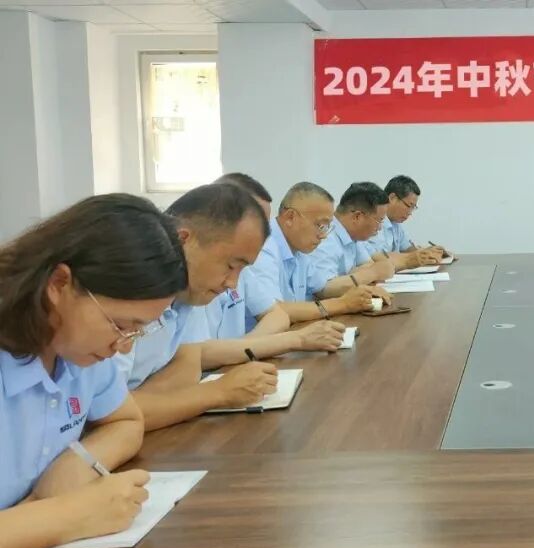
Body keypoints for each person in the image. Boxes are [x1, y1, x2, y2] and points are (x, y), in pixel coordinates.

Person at [0, 194, 187, 548]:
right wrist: (71, 514)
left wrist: (76, 463)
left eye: (137, 331)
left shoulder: (76, 350)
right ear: (59, 283)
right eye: (120, 325)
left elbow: (127, 421)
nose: (124, 346)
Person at [116, 183, 283, 431]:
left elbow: (187, 369)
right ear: (184, 240)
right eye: (230, 266)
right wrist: (219, 392)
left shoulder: (189, 293)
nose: (232, 283)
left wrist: (143, 406)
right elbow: (108, 413)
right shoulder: (124, 291)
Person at [193, 174, 346, 369]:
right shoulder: (192, 273)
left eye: (265, 226)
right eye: (256, 225)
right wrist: (290, 340)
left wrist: (241, 350)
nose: (264, 235)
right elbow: (198, 355)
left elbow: (278, 315)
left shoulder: (242, 264)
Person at [242, 182, 388, 329]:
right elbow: (274, 310)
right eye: (320, 225)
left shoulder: (300, 247)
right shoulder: (263, 246)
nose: (323, 235)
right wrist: (343, 304)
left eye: (327, 227)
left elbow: (322, 289)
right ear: (290, 217)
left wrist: (362, 292)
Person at [309, 182, 397, 298]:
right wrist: (373, 273)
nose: (380, 227)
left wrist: (351, 278)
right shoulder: (326, 237)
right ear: (357, 217)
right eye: (379, 220)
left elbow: (368, 264)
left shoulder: (353, 236)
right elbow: (324, 289)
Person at [363, 175, 444, 270]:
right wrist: (414, 256)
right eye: (409, 206)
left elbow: (408, 249)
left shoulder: (396, 224)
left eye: (413, 208)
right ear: (392, 198)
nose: (410, 213)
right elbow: (376, 257)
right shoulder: (374, 222)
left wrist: (430, 251)